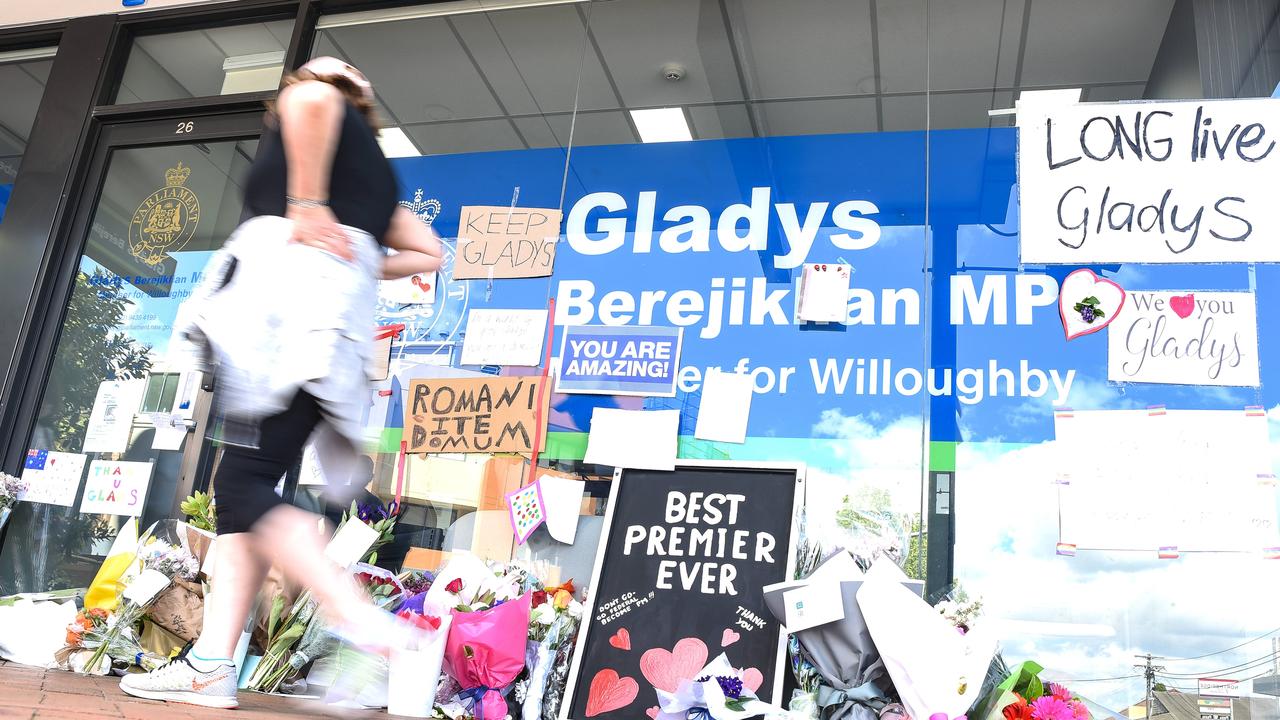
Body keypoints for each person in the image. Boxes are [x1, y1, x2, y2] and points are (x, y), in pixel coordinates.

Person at [119, 57, 443, 709]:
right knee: (245, 494)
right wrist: (357, 250)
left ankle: (354, 616)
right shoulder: (373, 174)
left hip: (286, 328)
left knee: (239, 485)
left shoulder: (319, 104)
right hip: (323, 334)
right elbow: (430, 251)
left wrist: (306, 205)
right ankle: (212, 664)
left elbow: (308, 103)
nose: (318, 74)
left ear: (346, 87)